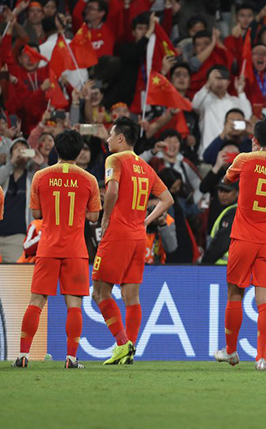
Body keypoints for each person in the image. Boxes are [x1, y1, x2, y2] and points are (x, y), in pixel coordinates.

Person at [12, 131, 100, 369]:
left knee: (36, 301)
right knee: (74, 306)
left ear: (56, 150)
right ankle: (71, 358)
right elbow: (94, 217)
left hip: (48, 248)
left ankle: (23, 355)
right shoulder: (89, 179)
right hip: (76, 250)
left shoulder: (41, 176)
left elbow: (36, 214)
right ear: (79, 152)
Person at [214, 118, 266, 371]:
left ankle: (230, 351)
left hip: (243, 237)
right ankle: (261, 357)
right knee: (265, 299)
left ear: (254, 139)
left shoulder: (244, 159)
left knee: (235, 293)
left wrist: (252, 153)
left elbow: (227, 179)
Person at [91, 117, 173, 366]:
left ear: (120, 138)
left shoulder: (114, 160)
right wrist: (146, 221)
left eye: (110, 135)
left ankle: (122, 343)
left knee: (99, 292)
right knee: (131, 296)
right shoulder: (146, 167)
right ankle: (129, 350)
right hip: (138, 236)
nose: (107, 140)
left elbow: (112, 190)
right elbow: (167, 199)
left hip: (118, 234)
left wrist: (105, 219)